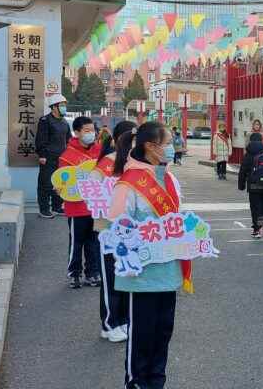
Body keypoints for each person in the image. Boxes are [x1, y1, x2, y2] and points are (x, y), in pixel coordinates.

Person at [108, 121, 184, 389]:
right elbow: (117, 226)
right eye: (168, 143)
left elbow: (178, 221)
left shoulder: (170, 178)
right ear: (151, 147)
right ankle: (137, 383)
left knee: (163, 332)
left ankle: (157, 382)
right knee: (142, 335)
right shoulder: (128, 183)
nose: (173, 148)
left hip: (167, 272)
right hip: (141, 275)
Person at [89, 120, 136, 343]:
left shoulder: (134, 163)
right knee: (109, 277)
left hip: (130, 230)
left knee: (126, 275)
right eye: (131, 138)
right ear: (119, 139)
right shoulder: (107, 162)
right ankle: (109, 324)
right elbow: (90, 190)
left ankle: (124, 319)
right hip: (108, 229)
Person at [59, 116, 103, 289]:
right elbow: (62, 183)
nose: (91, 134)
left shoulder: (100, 152)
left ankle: (92, 273)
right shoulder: (67, 156)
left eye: (92, 130)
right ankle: (74, 274)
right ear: (76, 132)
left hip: (96, 207)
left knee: (94, 242)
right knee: (76, 243)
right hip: (76, 208)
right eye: (87, 131)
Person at [35, 93, 72, 218]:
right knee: (45, 184)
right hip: (48, 157)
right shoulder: (45, 120)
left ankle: (57, 207)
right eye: (61, 105)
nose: (64, 108)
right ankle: (44, 209)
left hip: (61, 158)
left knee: (59, 183)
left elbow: (69, 140)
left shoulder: (64, 122)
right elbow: (41, 139)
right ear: (54, 107)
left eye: (64, 105)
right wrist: (42, 155)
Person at [239, 132, 263, 238]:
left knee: (255, 208)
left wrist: (241, 185)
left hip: (254, 185)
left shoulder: (248, 154)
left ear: (251, 141)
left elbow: (243, 170)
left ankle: (256, 230)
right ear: (261, 140)